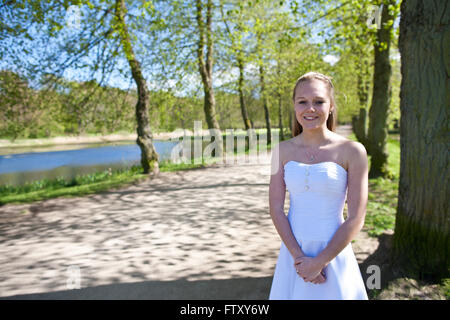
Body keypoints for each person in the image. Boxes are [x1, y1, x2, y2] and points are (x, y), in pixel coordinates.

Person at [268, 71, 369, 300]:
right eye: (302, 101)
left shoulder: (353, 151)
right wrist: (299, 259)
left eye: (319, 101)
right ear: (294, 106)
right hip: (294, 256)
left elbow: (356, 218)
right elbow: (276, 209)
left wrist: (320, 262)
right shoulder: (281, 151)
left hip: (333, 252)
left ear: (331, 105)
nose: (310, 108)